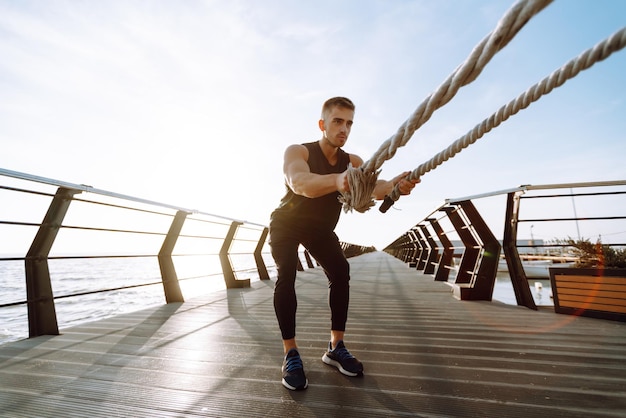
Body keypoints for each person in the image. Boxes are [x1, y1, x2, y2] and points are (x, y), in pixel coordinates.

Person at [269, 96, 419, 390]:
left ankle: (336, 347)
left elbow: (373, 188)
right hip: (286, 223)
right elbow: (300, 183)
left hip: (320, 229)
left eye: (349, 123)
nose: (344, 128)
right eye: (337, 121)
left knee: (340, 272)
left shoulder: (353, 163)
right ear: (323, 124)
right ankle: (290, 353)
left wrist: (396, 186)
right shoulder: (298, 151)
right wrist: (339, 181)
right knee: (286, 275)